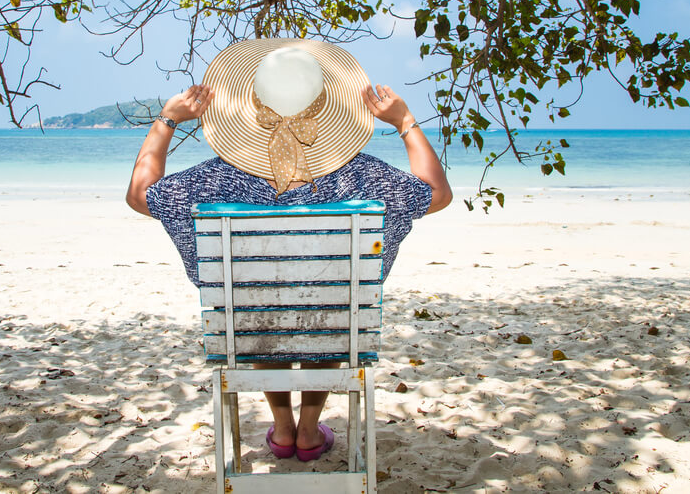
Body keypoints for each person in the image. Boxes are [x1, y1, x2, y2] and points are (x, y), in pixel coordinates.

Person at [127, 38, 451, 462]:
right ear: (328, 106)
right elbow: (437, 193)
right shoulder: (364, 176)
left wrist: (167, 119)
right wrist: (404, 119)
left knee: (260, 307)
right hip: (338, 328)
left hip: (250, 330)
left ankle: (282, 428)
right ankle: (309, 430)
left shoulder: (216, 180)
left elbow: (139, 194)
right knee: (331, 308)